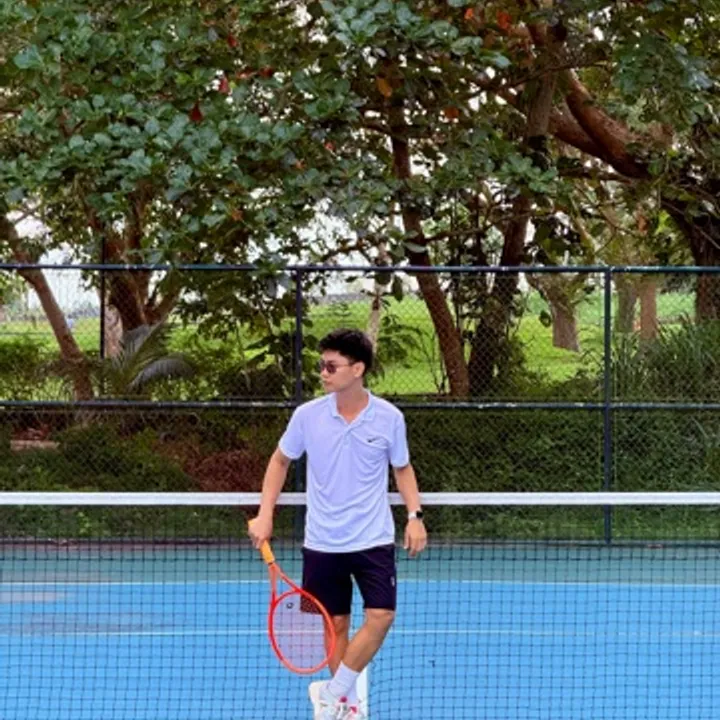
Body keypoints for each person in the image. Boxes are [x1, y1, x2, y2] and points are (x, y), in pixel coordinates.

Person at [248, 328, 427, 719]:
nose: (323, 373)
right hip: (322, 541)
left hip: (373, 538)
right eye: (321, 365)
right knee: (336, 624)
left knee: (381, 616)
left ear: (357, 369)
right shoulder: (307, 416)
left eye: (331, 366)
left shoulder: (389, 418)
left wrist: (414, 516)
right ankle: (344, 707)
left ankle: (332, 693)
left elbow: (402, 468)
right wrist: (265, 513)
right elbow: (280, 461)